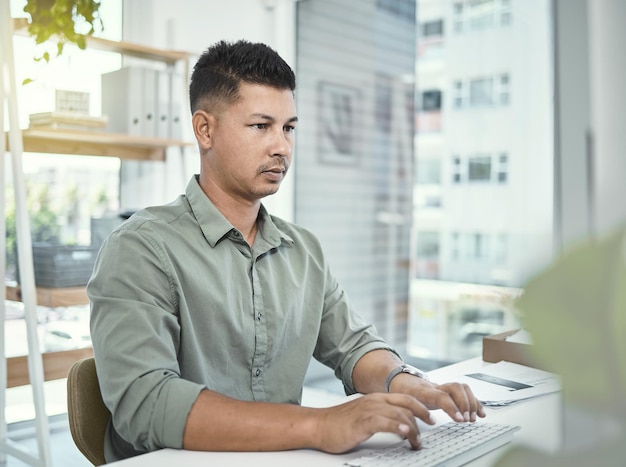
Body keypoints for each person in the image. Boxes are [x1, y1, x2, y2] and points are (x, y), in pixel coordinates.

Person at [88, 39, 485, 462]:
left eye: (288, 127)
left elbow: (353, 347)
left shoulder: (303, 250)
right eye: (261, 126)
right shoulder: (141, 247)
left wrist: (408, 383)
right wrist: (320, 425)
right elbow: (146, 404)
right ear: (205, 129)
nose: (282, 146)